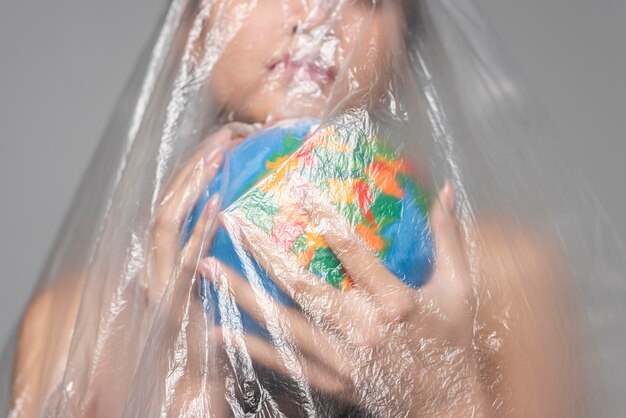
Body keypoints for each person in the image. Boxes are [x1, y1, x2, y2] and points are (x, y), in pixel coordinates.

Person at [10, 0, 587, 416]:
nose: (313, 16)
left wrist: (444, 400)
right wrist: (181, 388)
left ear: (409, 54)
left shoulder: (505, 276)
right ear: (190, 27)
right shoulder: (69, 326)